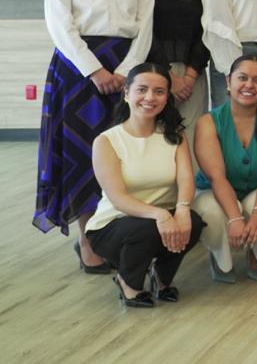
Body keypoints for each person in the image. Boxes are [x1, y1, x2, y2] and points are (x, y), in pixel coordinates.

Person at [37, 0, 155, 275]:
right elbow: (61, 27)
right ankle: (88, 242)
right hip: (77, 72)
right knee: (84, 155)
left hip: (125, 73)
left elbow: (146, 27)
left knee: (123, 156)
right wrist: (95, 71)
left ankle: (117, 236)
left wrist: (124, 73)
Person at [87, 63, 203, 307]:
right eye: (142, 90)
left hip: (158, 220)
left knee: (192, 222)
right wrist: (161, 214)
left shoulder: (175, 134)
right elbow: (118, 199)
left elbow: (186, 179)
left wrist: (182, 209)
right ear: (126, 93)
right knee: (147, 228)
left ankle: (162, 278)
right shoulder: (106, 141)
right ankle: (128, 283)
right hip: (113, 225)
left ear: (167, 98)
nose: (150, 97)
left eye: (159, 92)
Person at [192, 55, 257, 281]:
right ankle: (219, 255)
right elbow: (217, 177)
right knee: (211, 213)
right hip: (213, 192)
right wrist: (235, 218)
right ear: (228, 81)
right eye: (242, 78)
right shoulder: (208, 122)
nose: (249, 85)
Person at [146, 0, 209, 152]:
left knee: (191, 141)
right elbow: (145, 30)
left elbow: (208, 30)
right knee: (156, 138)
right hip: (156, 71)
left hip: (194, 74)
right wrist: (170, 77)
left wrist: (189, 78)